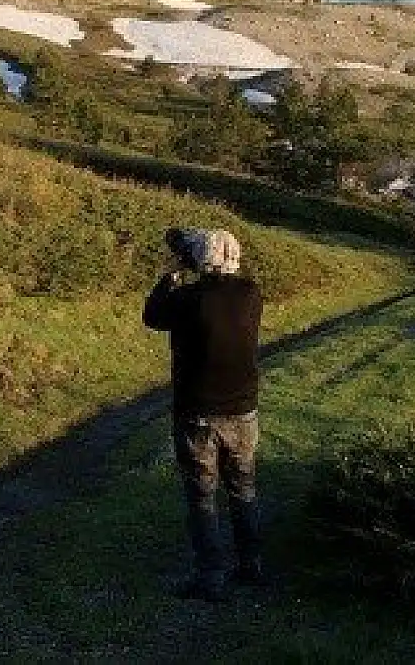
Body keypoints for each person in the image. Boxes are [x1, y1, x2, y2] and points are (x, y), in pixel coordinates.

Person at [143, 227, 265, 602]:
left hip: (197, 413)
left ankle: (211, 575)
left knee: (202, 495)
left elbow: (152, 316)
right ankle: (251, 564)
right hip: (244, 411)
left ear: (199, 261)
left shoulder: (186, 299)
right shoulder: (251, 294)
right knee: (243, 489)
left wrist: (175, 271)